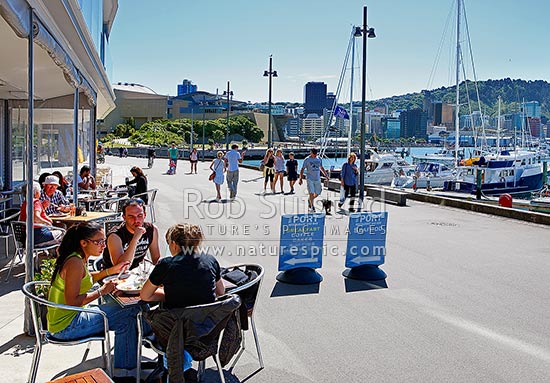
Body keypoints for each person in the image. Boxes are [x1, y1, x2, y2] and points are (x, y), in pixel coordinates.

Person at [46, 222, 141, 377]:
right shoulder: (75, 263)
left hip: (66, 319)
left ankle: (126, 370)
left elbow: (88, 278)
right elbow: (73, 301)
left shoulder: (77, 258)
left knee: (130, 313)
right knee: (131, 314)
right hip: (66, 327)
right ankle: (126, 372)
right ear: (83, 243)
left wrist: (112, 270)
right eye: (99, 242)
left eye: (104, 241)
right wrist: (101, 291)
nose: (103, 245)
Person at [140, 223, 225, 380]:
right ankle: (183, 368)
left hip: (177, 331)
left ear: (173, 243)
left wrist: (169, 293)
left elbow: (145, 295)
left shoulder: (166, 264)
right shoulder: (210, 260)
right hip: (207, 331)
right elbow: (221, 292)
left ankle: (173, 368)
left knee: (147, 316)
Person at [102, 198, 161, 271]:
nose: (136, 220)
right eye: (131, 216)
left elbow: (156, 259)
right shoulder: (115, 236)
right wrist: (135, 239)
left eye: (139, 215)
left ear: (145, 215)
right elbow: (121, 268)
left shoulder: (152, 230)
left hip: (138, 274)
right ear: (124, 217)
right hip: (114, 277)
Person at [299, 148, 328, 213]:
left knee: (318, 192)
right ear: (311, 153)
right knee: (311, 193)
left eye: (315, 154)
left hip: (317, 178)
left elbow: (321, 167)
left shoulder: (319, 159)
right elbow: (302, 169)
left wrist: (326, 175)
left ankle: (310, 200)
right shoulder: (307, 160)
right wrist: (300, 178)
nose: (315, 155)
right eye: (313, 154)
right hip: (310, 178)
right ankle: (312, 207)